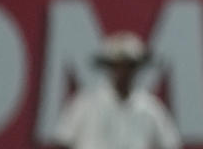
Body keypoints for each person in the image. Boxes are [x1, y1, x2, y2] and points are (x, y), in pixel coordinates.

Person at [52, 32, 182, 149]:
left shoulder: (150, 108)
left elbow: (170, 143)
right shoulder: (85, 104)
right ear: (109, 68)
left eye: (129, 66)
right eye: (117, 66)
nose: (123, 72)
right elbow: (62, 141)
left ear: (136, 69)